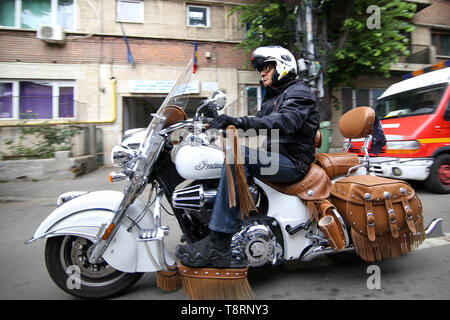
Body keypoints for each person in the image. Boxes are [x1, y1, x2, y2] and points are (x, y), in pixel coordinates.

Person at [175, 46, 319, 268]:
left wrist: (238, 121)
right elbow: (255, 125)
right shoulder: (273, 97)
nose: (262, 73)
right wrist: (216, 123)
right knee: (222, 155)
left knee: (238, 154)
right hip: (275, 158)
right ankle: (209, 227)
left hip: (292, 162)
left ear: (283, 66)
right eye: (261, 69)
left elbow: (284, 121)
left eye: (267, 67)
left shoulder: (300, 92)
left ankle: (219, 243)